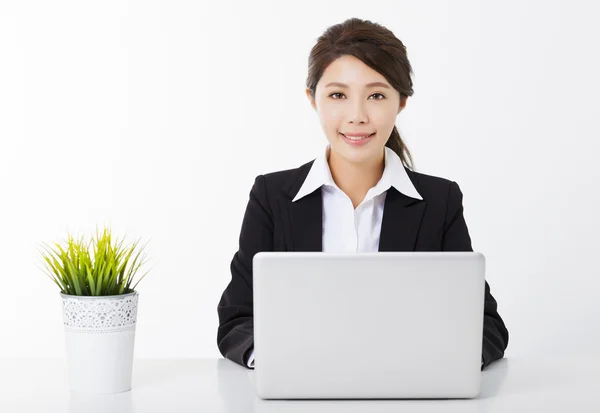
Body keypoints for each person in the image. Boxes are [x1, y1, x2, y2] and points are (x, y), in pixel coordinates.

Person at [217, 17, 509, 371]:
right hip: (299, 389)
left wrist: (436, 365)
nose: (357, 116)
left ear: (401, 102)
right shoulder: (271, 196)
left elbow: (487, 327)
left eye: (376, 95)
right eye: (338, 95)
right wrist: (278, 363)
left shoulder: (439, 201)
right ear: (313, 99)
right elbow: (236, 319)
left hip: (404, 388)